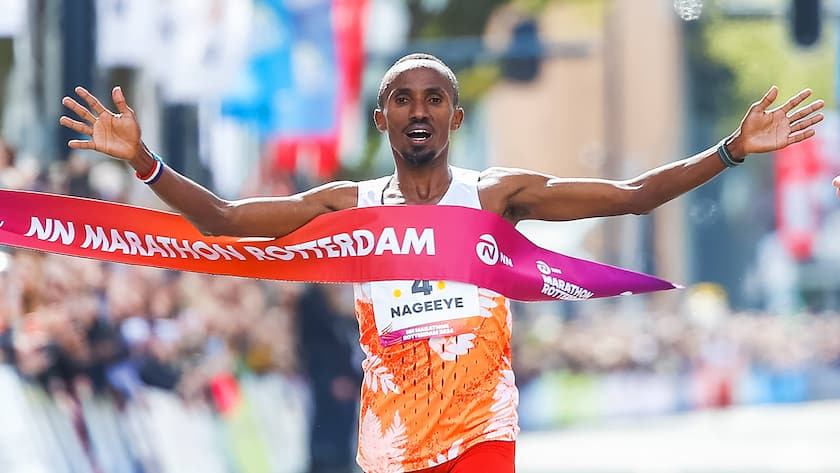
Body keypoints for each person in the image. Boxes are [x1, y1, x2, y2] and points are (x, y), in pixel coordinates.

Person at [60, 53, 824, 473]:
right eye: (401, 98)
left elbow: (630, 196)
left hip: (481, 427)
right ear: (381, 116)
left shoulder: (493, 195)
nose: (418, 110)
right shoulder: (348, 203)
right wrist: (146, 161)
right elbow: (226, 221)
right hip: (391, 437)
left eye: (433, 98)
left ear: (456, 118)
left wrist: (730, 149)